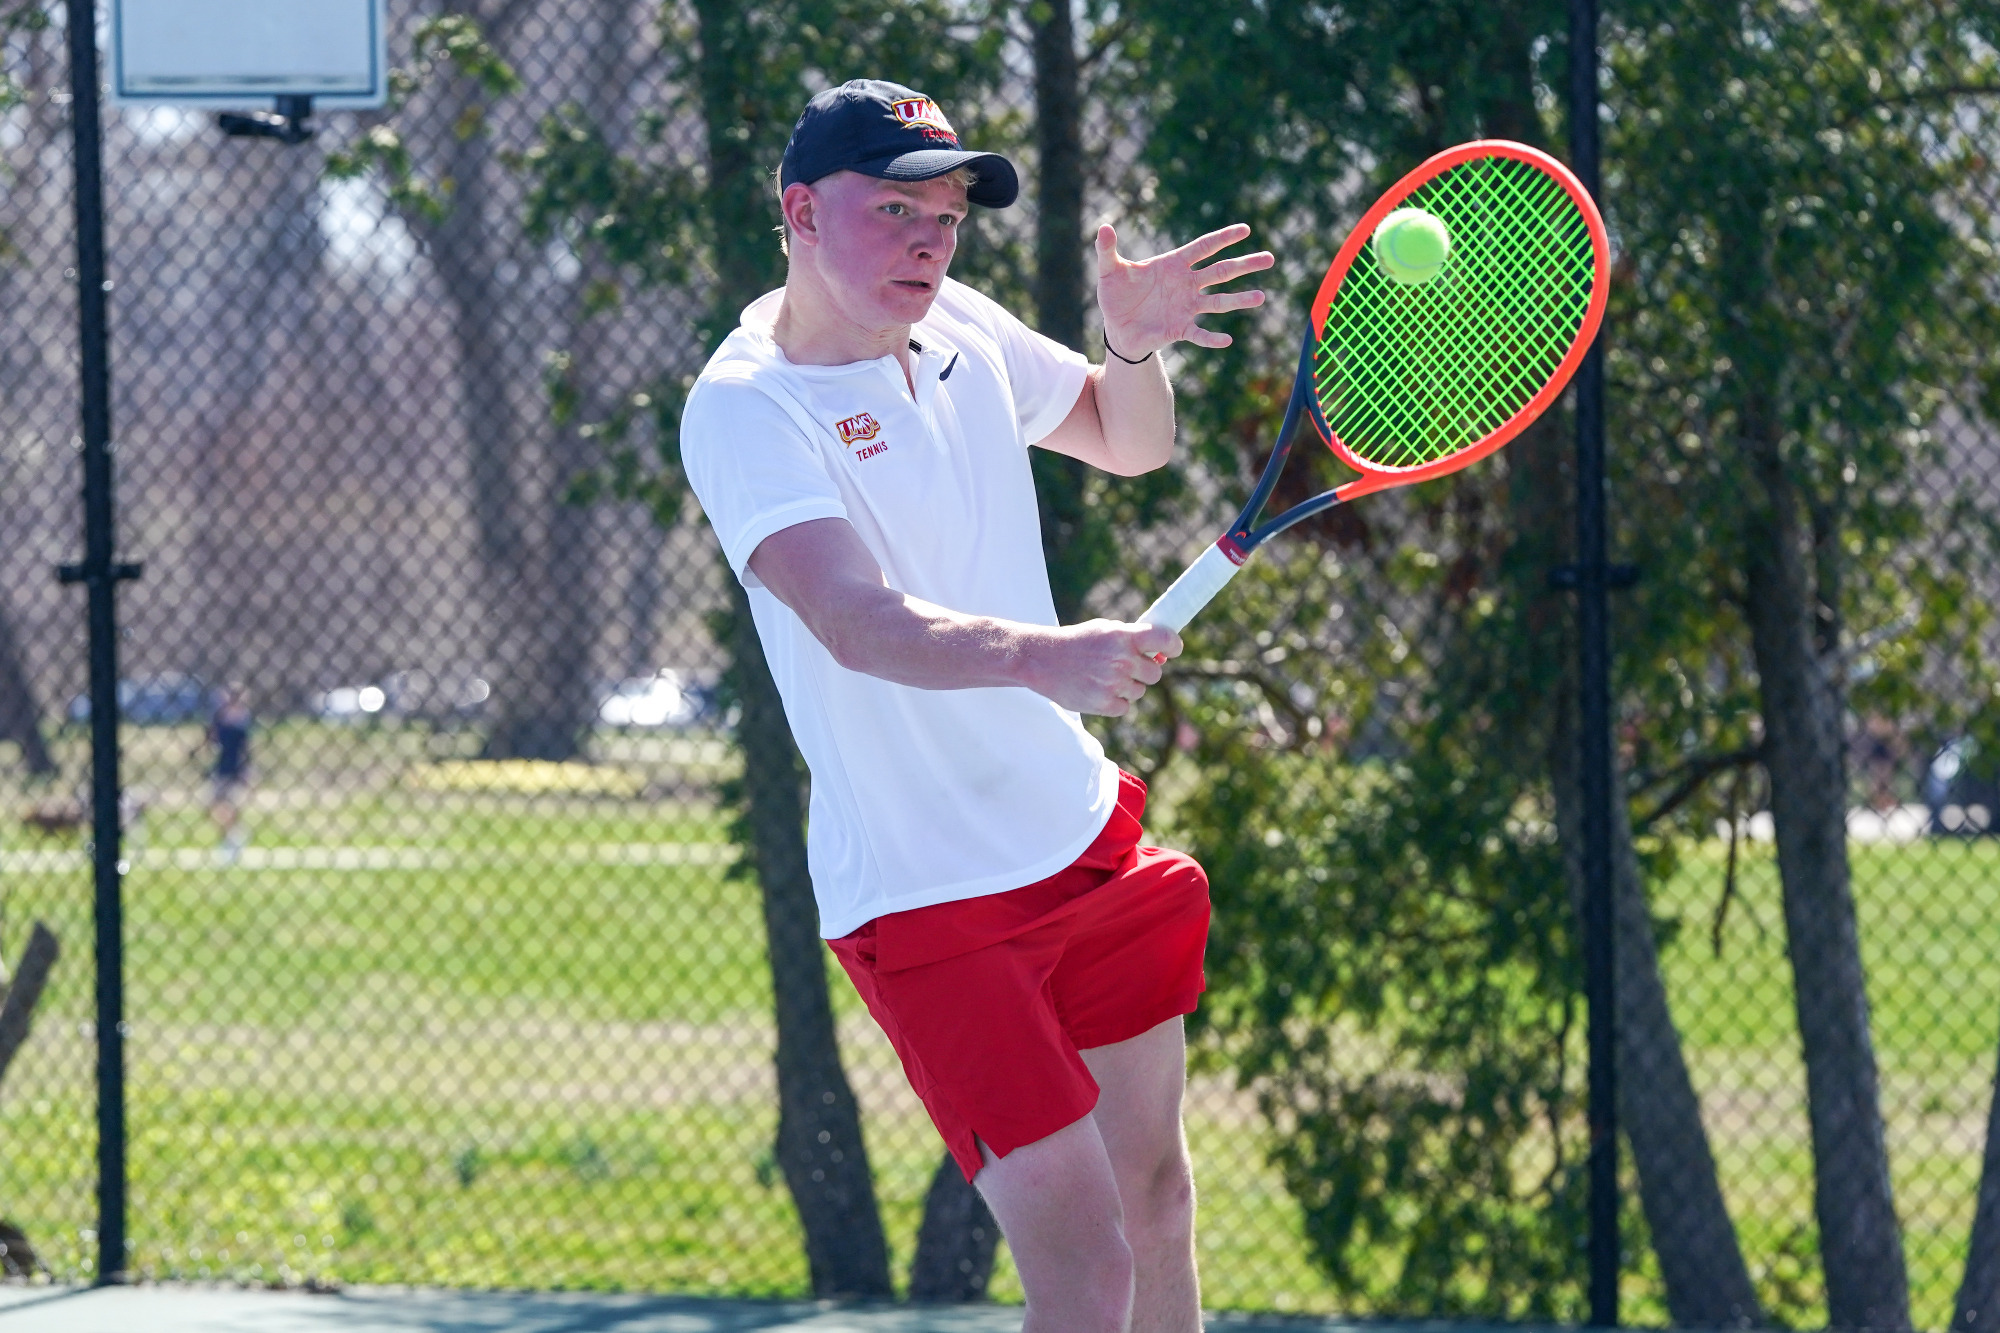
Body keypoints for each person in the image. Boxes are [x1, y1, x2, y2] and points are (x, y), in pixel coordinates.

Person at [681, 79, 1270, 1332]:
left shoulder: (963, 326)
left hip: (1075, 841)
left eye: (946, 215)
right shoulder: (744, 408)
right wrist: (1043, 659)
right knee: (1087, 1265)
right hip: (926, 902)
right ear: (799, 211)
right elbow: (854, 621)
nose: (928, 240)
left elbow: (1127, 437)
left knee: (1157, 1205)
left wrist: (1131, 346)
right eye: (895, 208)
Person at [208, 681, 252, 862]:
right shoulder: (219, 717)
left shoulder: (242, 719)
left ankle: (232, 840)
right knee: (214, 804)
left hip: (235, 767)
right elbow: (212, 739)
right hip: (220, 766)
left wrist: (247, 770)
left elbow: (246, 748)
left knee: (230, 804)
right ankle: (233, 835)